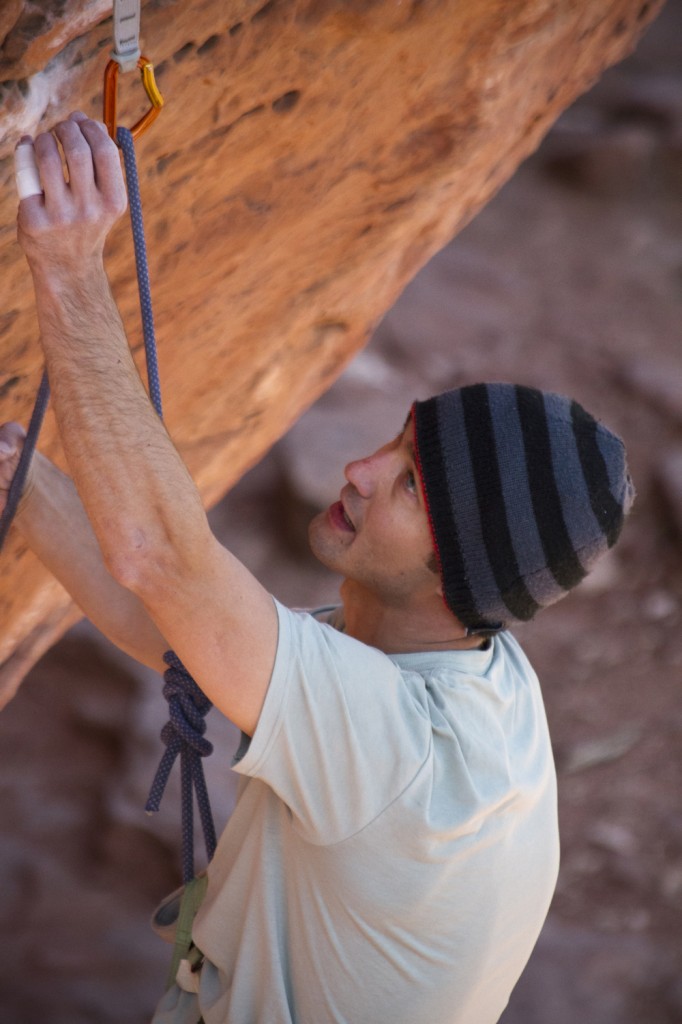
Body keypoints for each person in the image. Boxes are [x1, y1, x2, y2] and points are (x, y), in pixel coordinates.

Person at [1, 113, 634, 1024]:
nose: (361, 469)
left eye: (411, 486)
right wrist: (23, 479)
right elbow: (190, 633)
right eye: (394, 442)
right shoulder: (466, 666)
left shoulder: (404, 763)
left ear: (460, 571)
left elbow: (161, 560)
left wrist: (65, 266)